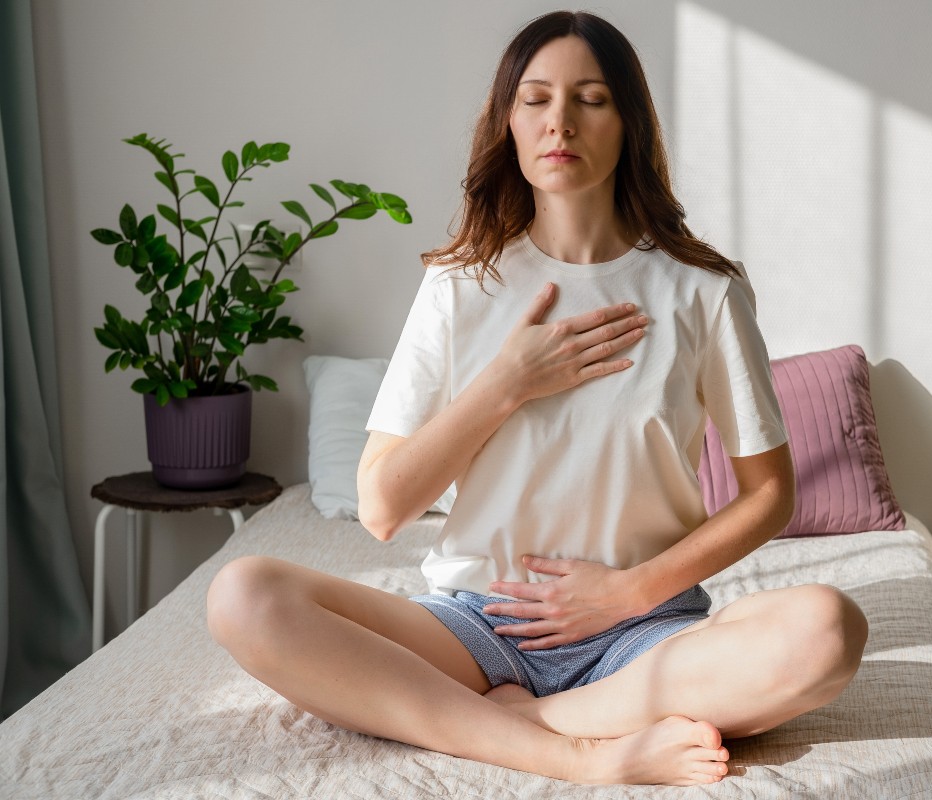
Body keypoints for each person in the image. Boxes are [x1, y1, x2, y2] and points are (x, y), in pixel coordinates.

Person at [207, 10, 868, 787]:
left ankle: (530, 722)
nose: (560, 121)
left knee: (827, 628)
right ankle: (573, 752)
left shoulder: (702, 292)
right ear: (508, 123)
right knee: (243, 595)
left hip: (643, 628)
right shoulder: (461, 284)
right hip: (477, 625)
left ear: (629, 124)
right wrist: (505, 382)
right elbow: (383, 507)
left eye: (591, 99)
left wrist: (628, 592)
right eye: (535, 99)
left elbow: (770, 495)